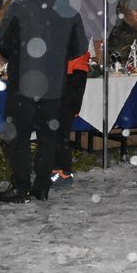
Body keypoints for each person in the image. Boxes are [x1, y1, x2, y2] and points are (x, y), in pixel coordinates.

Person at [0, 0, 87, 203]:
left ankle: (20, 186)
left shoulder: (20, 6)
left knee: (19, 136)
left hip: (23, 83)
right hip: (54, 86)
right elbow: (80, 47)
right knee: (48, 137)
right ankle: (42, 186)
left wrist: (21, 54)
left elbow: (2, 41)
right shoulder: (70, 11)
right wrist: (57, 56)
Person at [50, 49, 90, 187]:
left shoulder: (78, 53)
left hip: (65, 99)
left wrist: (75, 106)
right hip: (55, 97)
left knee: (62, 137)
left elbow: (79, 83)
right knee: (54, 136)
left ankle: (65, 172)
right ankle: (55, 169)